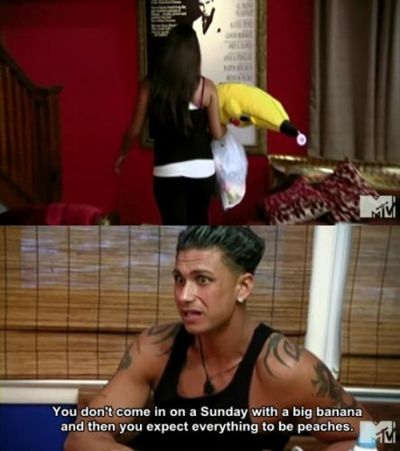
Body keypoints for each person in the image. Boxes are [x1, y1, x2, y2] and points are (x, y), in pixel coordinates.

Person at [65, 226, 373, 451]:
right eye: (179, 279)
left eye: (202, 280)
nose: (184, 296)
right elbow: (81, 439)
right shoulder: (155, 348)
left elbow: (372, 435)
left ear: (243, 287)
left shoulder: (285, 368)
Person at [115, 25, 226, 225]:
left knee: (172, 230)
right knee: (198, 230)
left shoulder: (150, 85)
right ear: (195, 55)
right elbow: (217, 134)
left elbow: (135, 129)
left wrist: (123, 153)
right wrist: (225, 126)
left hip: (167, 170)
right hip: (203, 170)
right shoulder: (207, 88)